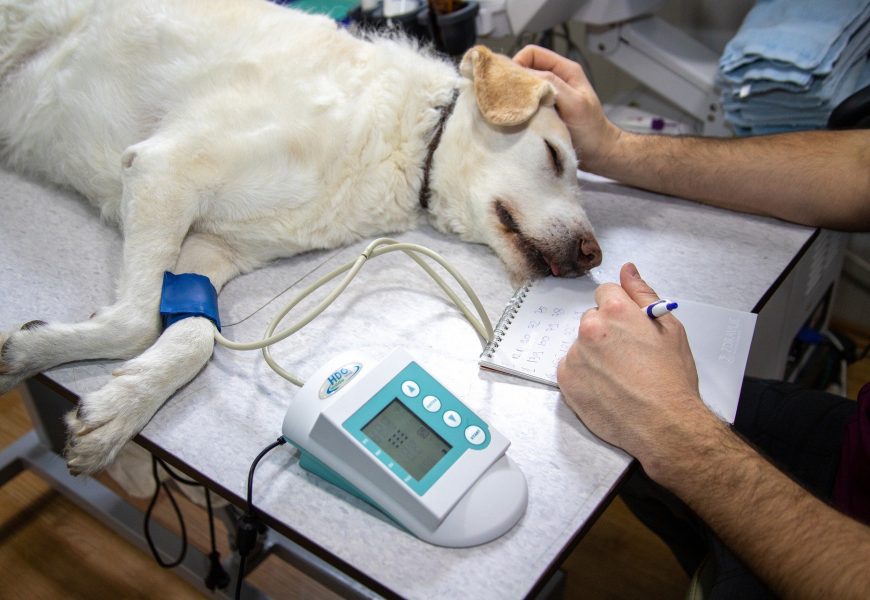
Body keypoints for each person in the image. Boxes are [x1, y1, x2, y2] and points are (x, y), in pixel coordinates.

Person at [513, 44, 870, 599]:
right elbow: (860, 167)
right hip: (861, 452)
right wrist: (613, 147)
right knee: (615, 448)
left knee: (632, 430)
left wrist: (674, 431)